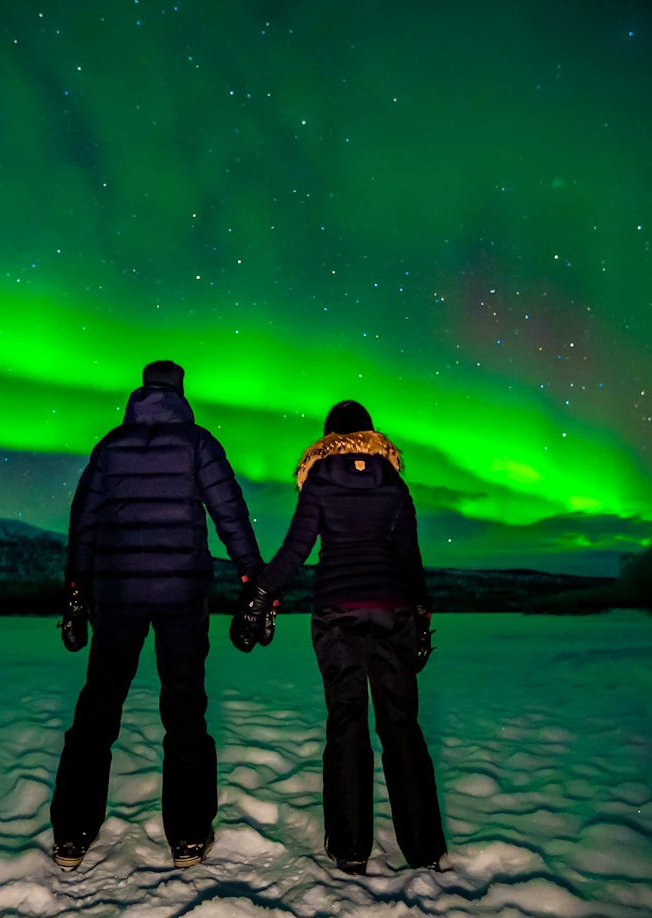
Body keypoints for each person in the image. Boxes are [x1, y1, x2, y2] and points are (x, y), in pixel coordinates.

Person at [51, 360, 262, 872]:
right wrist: (253, 578)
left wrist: (76, 588)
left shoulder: (111, 446)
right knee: (185, 706)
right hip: (181, 594)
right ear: (180, 392)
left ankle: (72, 835)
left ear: (141, 391)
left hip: (118, 592)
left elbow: (83, 522)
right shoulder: (197, 443)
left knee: (98, 705)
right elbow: (229, 514)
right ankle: (188, 836)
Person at [231, 400, 446, 875]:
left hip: (337, 611)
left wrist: (259, 596)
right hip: (393, 611)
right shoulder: (394, 483)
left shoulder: (320, 481)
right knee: (401, 725)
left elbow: (295, 551)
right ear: (371, 435)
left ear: (328, 438)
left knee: (347, 721)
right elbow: (409, 558)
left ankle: (350, 848)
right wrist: (420, 615)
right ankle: (424, 848)